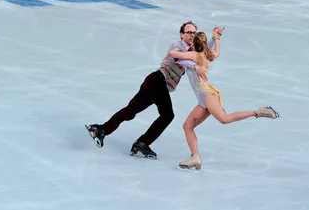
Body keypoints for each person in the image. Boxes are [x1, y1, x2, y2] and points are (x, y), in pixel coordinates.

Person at [85, 21, 221, 159]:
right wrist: (194, 67)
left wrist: (214, 37)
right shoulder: (178, 46)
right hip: (157, 81)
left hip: (154, 83)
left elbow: (204, 53)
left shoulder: (192, 51)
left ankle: (101, 129)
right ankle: (142, 142)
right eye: (188, 32)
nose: (191, 35)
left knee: (131, 111)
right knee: (167, 115)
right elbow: (173, 57)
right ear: (181, 34)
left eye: (193, 33)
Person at [167, 30, 278, 170]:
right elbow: (216, 53)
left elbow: (171, 54)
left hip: (207, 95)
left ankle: (260, 112)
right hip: (203, 98)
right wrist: (216, 38)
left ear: (194, 45)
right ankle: (195, 157)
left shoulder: (194, 55)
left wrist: (186, 59)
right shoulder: (207, 55)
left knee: (224, 119)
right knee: (187, 126)